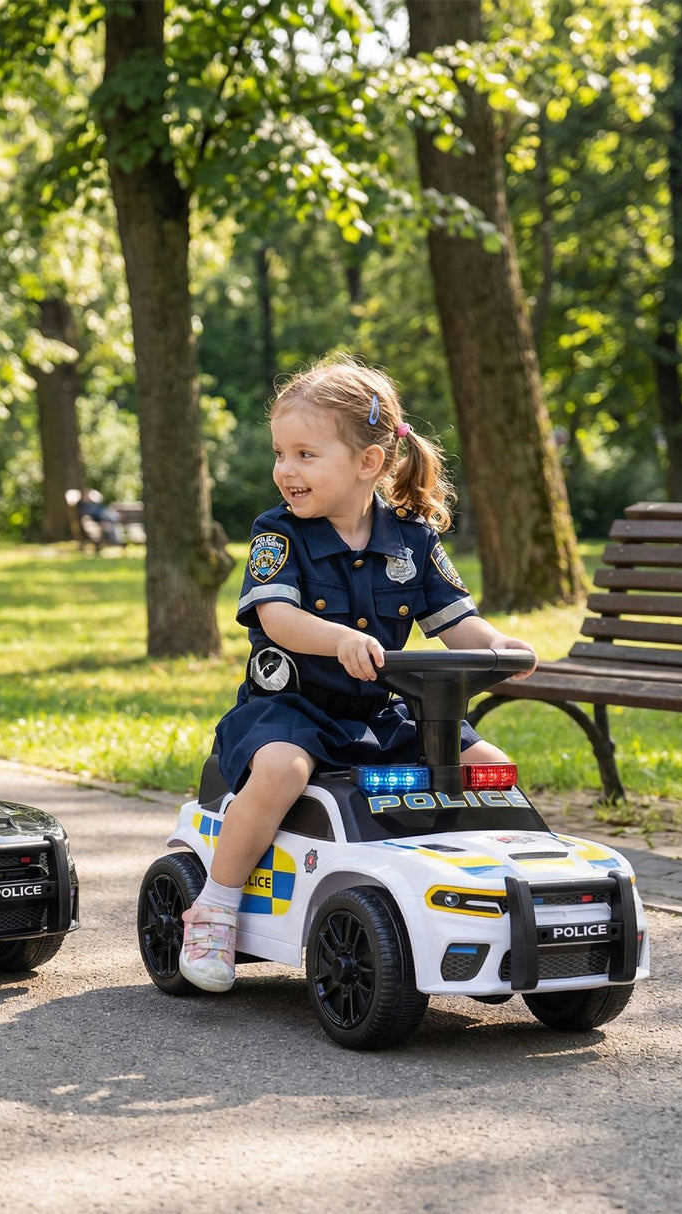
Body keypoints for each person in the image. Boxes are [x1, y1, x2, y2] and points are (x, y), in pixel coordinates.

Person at [179, 353, 537, 994]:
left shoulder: (414, 539)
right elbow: (278, 621)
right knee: (284, 769)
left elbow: (460, 625)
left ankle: (491, 897)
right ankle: (215, 905)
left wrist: (501, 646)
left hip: (383, 712)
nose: (285, 470)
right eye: (280, 453)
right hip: (290, 709)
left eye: (305, 455)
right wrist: (340, 638)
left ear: (368, 463)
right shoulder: (278, 534)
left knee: (490, 765)